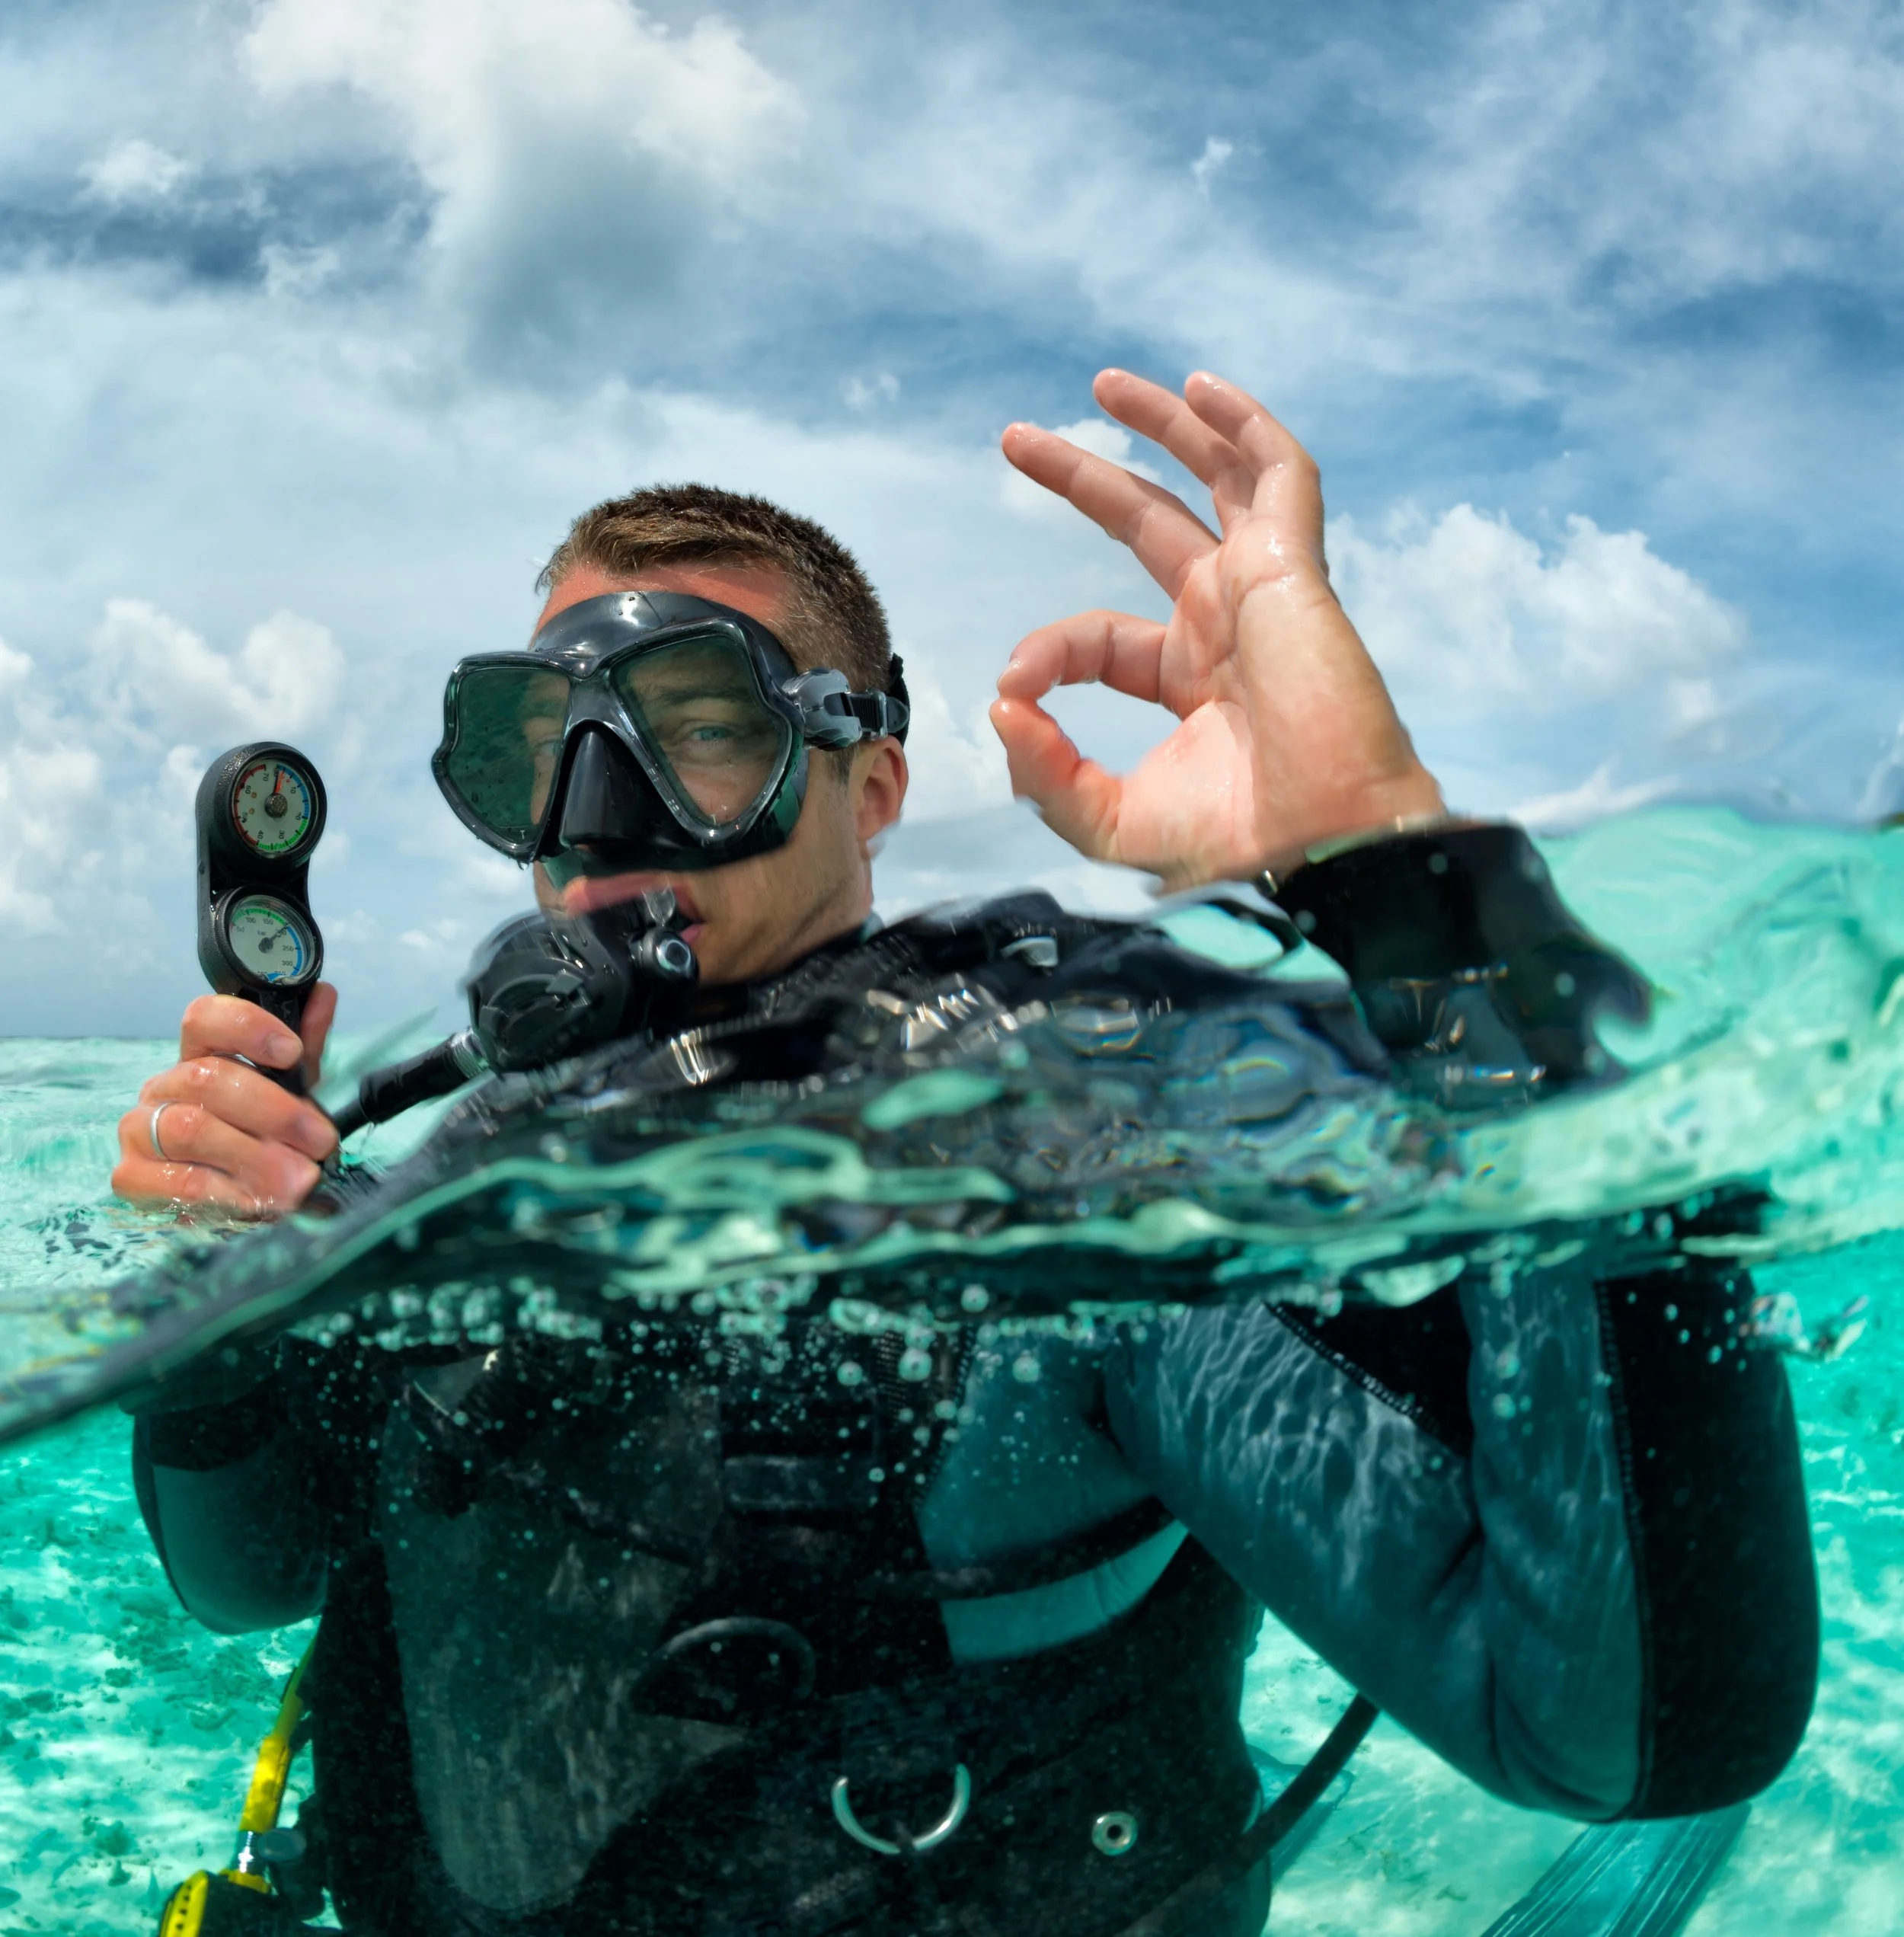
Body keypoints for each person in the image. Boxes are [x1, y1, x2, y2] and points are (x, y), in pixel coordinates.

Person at [113, 370, 1818, 1937]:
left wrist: (1388, 863)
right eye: (533, 743)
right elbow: (245, 1576)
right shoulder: (444, 1167)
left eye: (696, 721)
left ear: (868, 787)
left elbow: (1619, 1726)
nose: (595, 807)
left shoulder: (1067, 1157)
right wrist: (227, 1287)